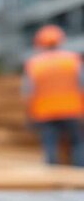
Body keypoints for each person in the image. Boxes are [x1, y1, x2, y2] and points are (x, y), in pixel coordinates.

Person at [24, 25, 84, 167]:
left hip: (45, 111)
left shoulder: (35, 63)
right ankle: (80, 176)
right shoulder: (73, 60)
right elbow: (82, 84)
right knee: (77, 143)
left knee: (50, 144)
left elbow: (28, 91)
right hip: (71, 109)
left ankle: (52, 178)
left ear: (40, 43)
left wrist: (30, 112)